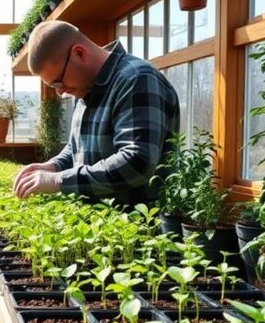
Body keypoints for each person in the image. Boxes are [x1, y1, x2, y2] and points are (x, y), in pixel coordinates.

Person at [12, 21, 180, 206]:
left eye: (58, 82)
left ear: (79, 53)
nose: (60, 92)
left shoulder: (136, 79)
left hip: (140, 227)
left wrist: (58, 180)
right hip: (98, 226)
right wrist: (53, 166)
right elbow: (77, 148)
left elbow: (137, 162)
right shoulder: (84, 89)